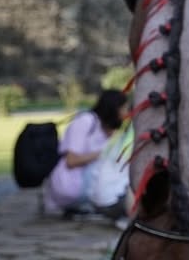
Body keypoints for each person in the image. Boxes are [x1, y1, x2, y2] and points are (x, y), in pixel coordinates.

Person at [42, 89, 131, 227]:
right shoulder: (85, 122)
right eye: (124, 108)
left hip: (88, 182)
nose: (127, 112)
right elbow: (71, 161)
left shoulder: (109, 129)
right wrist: (103, 153)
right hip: (71, 184)